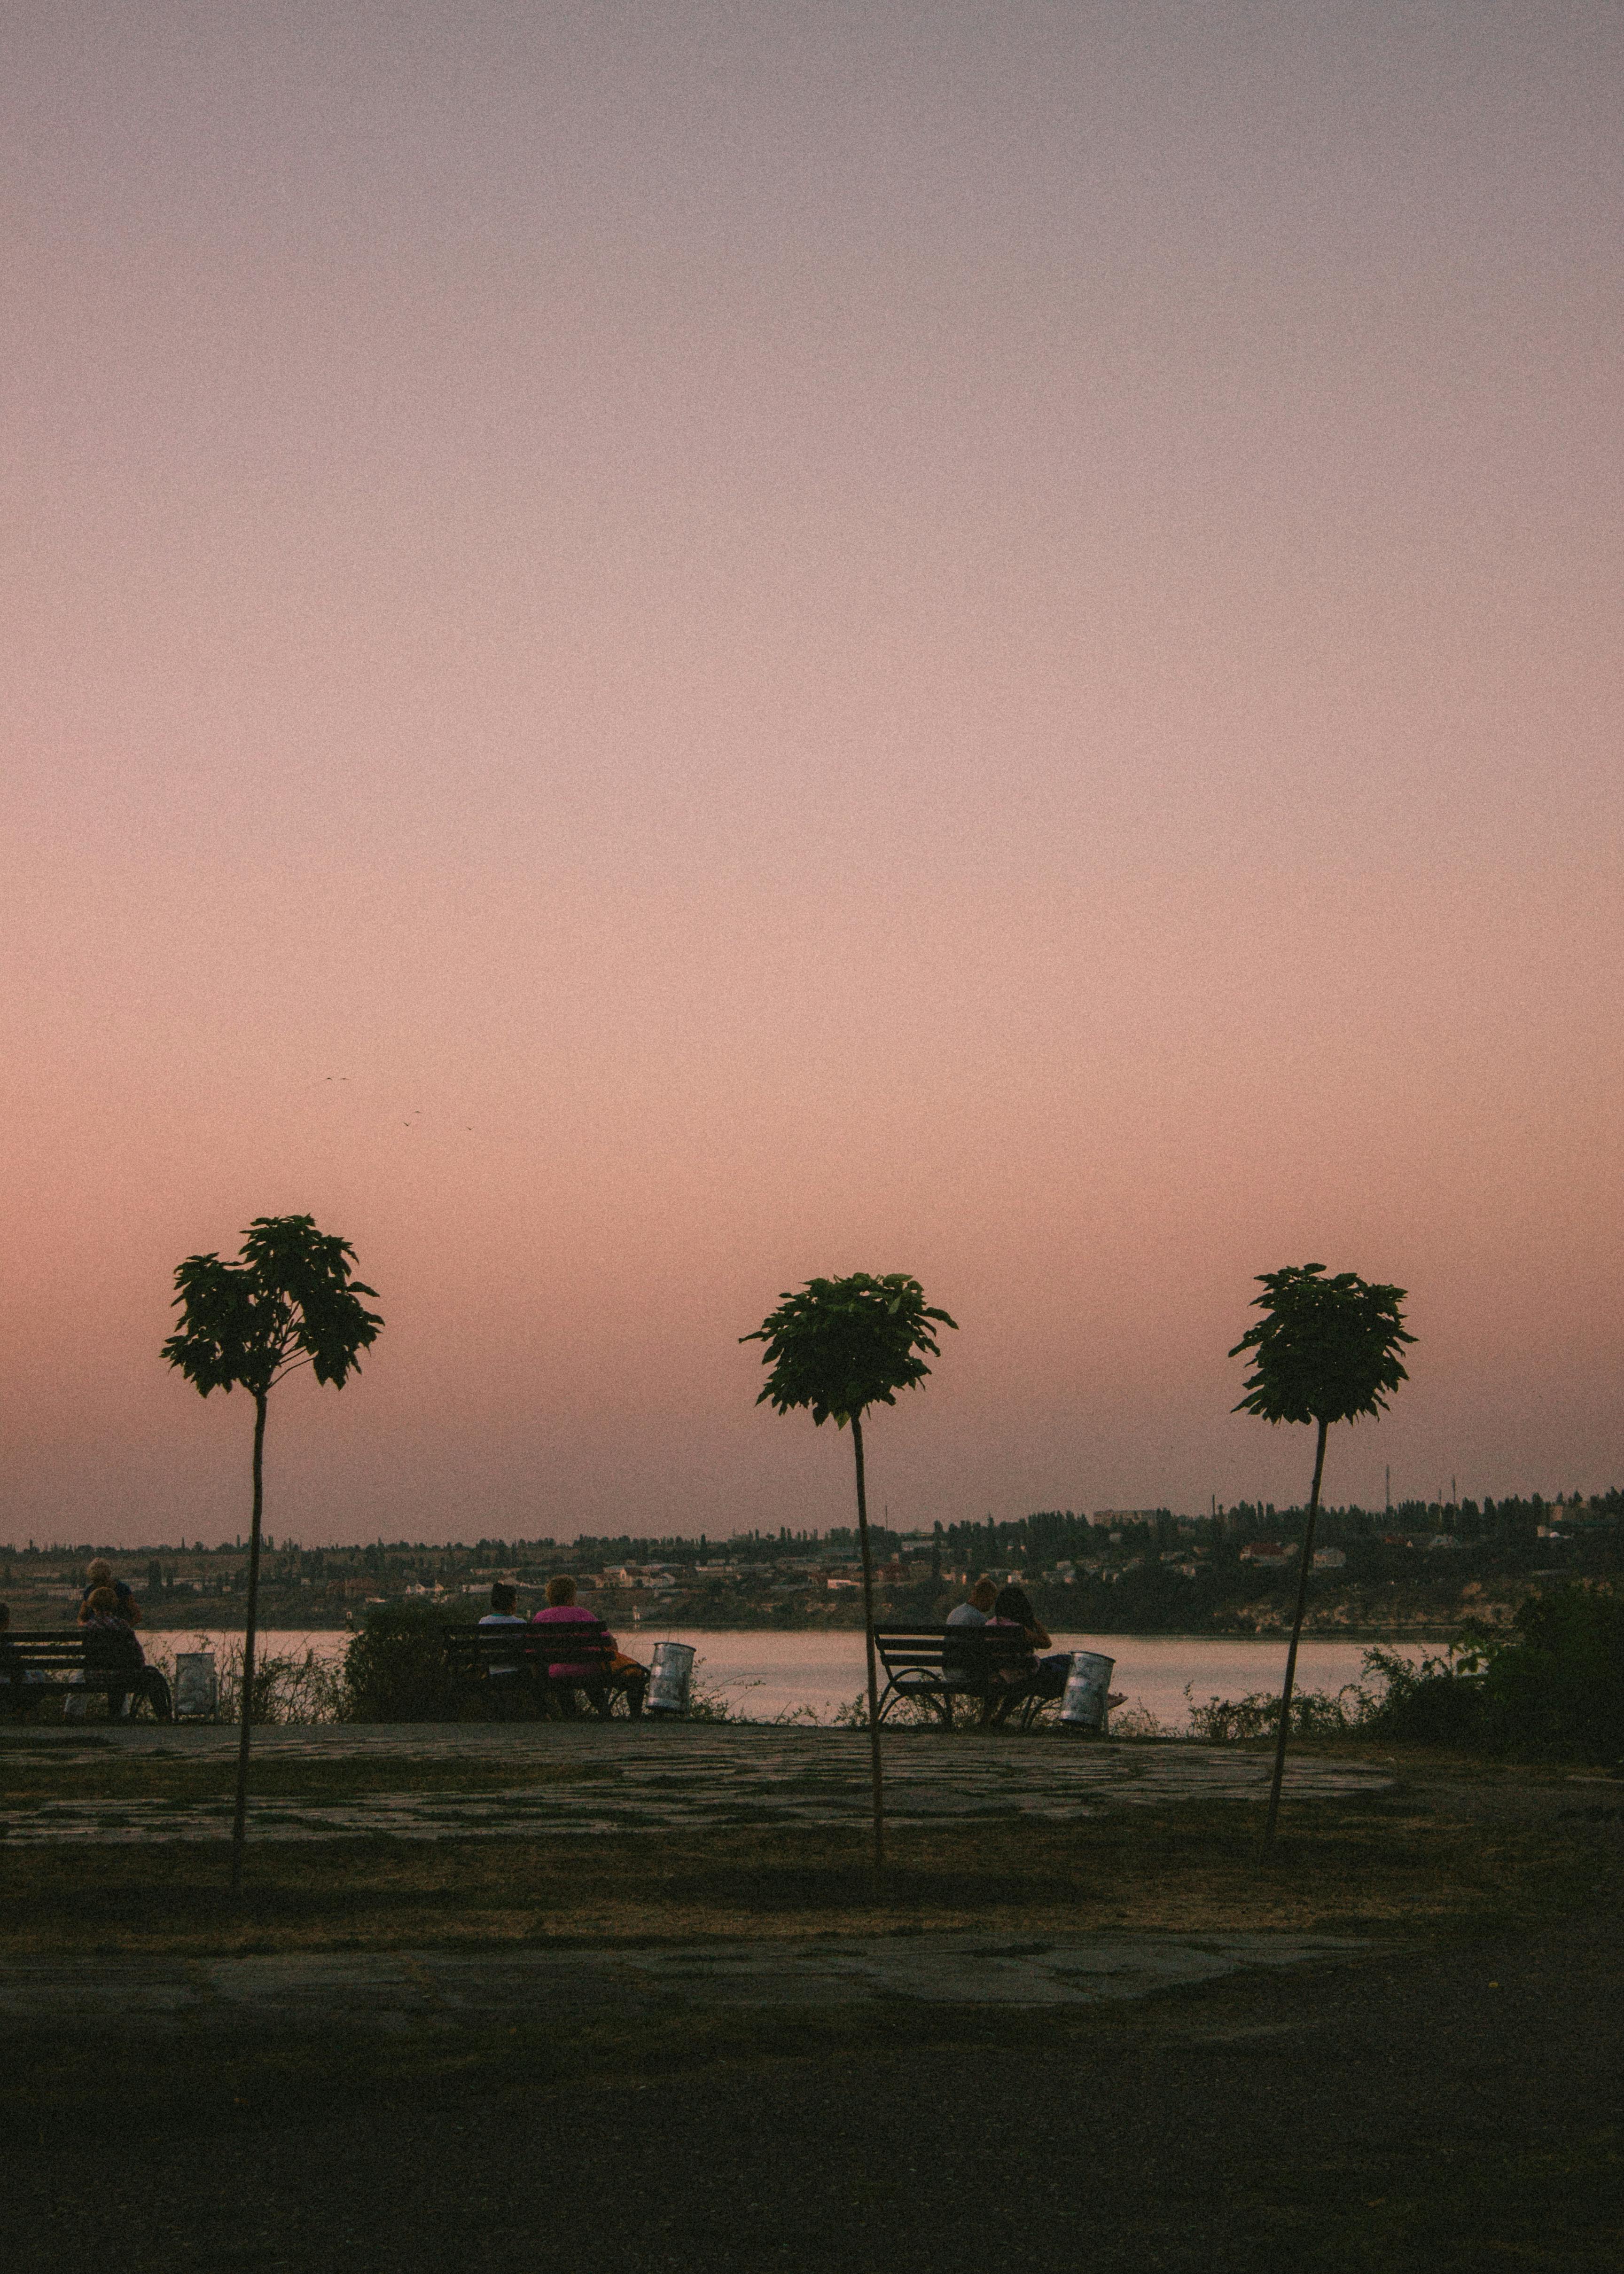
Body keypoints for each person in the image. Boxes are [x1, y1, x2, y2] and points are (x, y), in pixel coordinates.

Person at [531, 1576, 647, 1719]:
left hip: (557, 1672)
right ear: (570, 1597)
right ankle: (609, 1714)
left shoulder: (540, 1618)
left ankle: (570, 1716)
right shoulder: (582, 1614)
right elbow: (609, 1642)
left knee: (565, 1677)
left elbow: (532, 1651)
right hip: (590, 1670)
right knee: (591, 1673)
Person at [65, 1560, 142, 1720]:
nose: (99, 1584)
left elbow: (136, 1615)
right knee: (118, 1674)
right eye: (96, 1581)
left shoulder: (122, 1590)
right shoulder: (91, 1592)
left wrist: (100, 1628)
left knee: (81, 1677)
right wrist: (116, 1628)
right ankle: (121, 1717)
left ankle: (72, 1715)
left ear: (109, 1576)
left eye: (102, 1580)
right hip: (105, 1658)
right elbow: (81, 1616)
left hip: (101, 1660)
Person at [79, 1585, 166, 1721]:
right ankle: (164, 1717)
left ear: (92, 1606)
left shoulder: (88, 1627)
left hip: (95, 1676)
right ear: (114, 1605)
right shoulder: (123, 1625)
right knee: (153, 1676)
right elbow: (137, 1653)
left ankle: (115, 1716)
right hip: (123, 1675)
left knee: (116, 1675)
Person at [477, 1582, 529, 1713]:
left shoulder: (483, 1622)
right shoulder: (521, 1624)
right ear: (513, 1603)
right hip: (518, 1674)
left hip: (493, 1672)